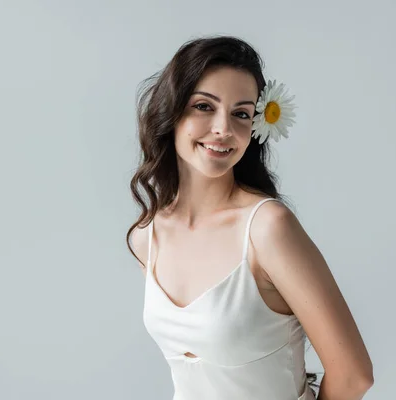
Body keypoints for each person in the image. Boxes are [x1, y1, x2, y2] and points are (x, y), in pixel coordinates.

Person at [126, 36, 374, 400]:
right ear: (171, 112)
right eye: (204, 107)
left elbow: (353, 376)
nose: (223, 129)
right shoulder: (147, 237)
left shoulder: (267, 229)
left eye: (241, 113)